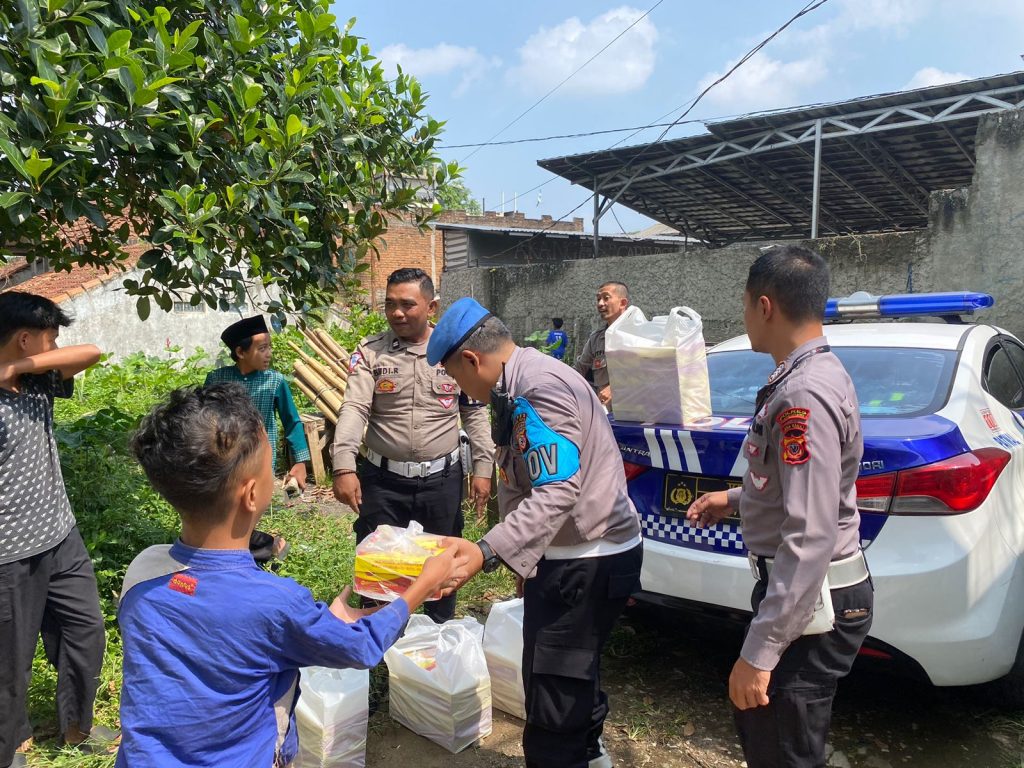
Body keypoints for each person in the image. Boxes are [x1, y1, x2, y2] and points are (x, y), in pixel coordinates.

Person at [118, 383, 464, 767]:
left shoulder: (144, 570)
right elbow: (361, 646)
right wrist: (422, 586)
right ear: (252, 495)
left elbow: (215, 632)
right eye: (271, 466)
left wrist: (320, 624)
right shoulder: (275, 603)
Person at [429, 297, 642, 768]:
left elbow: (556, 493)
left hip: (585, 563)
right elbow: (528, 481)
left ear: (471, 360)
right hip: (575, 555)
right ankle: (589, 753)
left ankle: (571, 755)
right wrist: (529, 559)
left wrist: (486, 551)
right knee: (571, 675)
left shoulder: (537, 386)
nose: (463, 391)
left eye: (456, 378)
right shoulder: (522, 377)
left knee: (553, 705)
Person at [687, 245, 872, 768]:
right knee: (772, 737)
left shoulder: (803, 394)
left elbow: (809, 534)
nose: (745, 317)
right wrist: (735, 499)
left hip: (814, 598)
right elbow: (800, 491)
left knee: (780, 749)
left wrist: (760, 652)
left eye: (745, 304)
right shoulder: (815, 373)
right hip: (810, 594)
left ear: (764, 306)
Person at [332, 268, 495, 623]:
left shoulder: (454, 353)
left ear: (432, 306)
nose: (397, 313)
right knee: (380, 566)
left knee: (443, 562)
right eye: (389, 304)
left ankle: (436, 636)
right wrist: (343, 465)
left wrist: (484, 468)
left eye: (407, 304)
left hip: (442, 481)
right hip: (383, 481)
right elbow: (354, 408)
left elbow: (475, 413)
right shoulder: (370, 353)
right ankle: (378, 641)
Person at [0, 292, 115, 768]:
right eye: (50, 336)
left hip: (61, 536)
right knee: (10, 667)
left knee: (86, 634)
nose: (57, 344)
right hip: (9, 554)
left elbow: (91, 352)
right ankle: (8, 749)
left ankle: (77, 728)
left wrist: (13, 369)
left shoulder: (38, 381)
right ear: (26, 338)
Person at [205, 315, 310, 563]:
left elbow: (292, 421)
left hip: (260, 462)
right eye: (262, 348)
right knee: (227, 512)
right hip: (225, 461)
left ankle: (255, 553)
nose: (269, 354)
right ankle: (266, 549)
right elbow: (205, 421)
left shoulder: (275, 381)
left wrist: (301, 462)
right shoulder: (216, 380)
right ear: (240, 352)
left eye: (269, 347)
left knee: (250, 511)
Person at [574, 282, 629, 409]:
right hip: (605, 413)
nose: (600, 304)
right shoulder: (596, 339)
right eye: (598, 299)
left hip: (632, 414)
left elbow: (646, 373)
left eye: (606, 298)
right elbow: (579, 370)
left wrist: (614, 388)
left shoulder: (637, 335)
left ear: (623, 303)